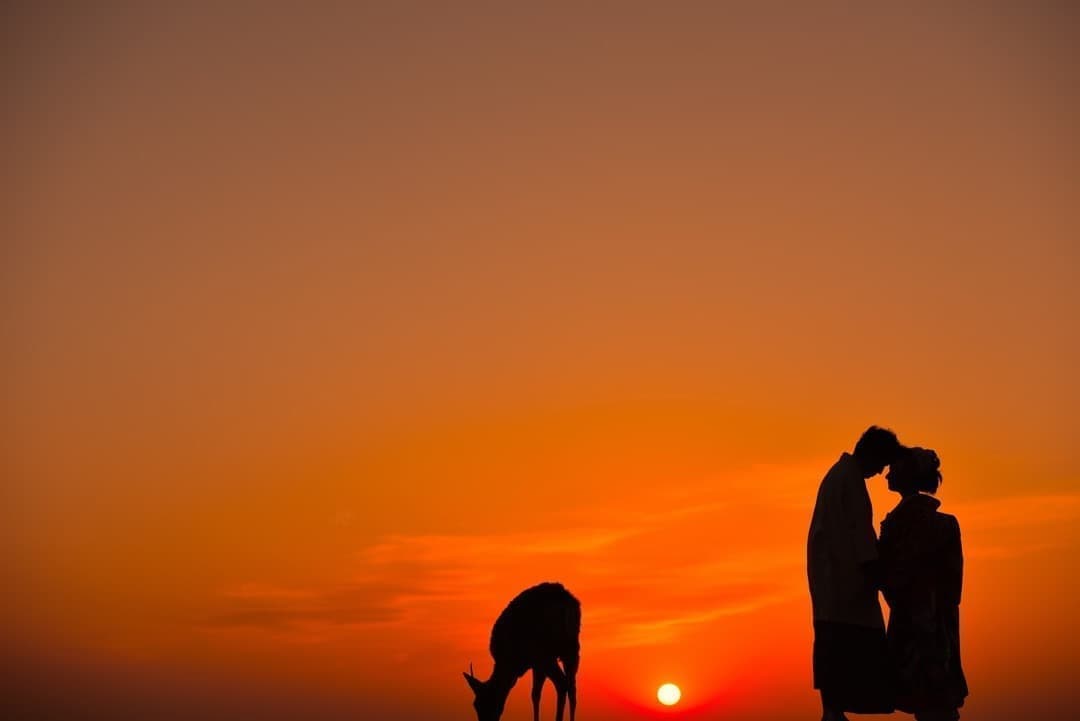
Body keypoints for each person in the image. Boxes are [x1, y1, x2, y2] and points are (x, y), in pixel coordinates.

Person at [808, 426, 901, 721]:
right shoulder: (849, 482)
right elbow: (861, 534)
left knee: (834, 655)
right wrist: (879, 577)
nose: (881, 471)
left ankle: (833, 712)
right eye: (882, 462)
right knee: (845, 654)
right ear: (872, 455)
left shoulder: (839, 476)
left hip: (832, 584)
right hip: (844, 585)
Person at [878, 447, 968, 721]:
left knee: (929, 701)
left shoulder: (896, 526)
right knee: (937, 703)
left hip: (916, 625)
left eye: (893, 469)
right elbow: (954, 587)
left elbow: (889, 580)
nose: (887, 475)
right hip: (939, 624)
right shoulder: (946, 524)